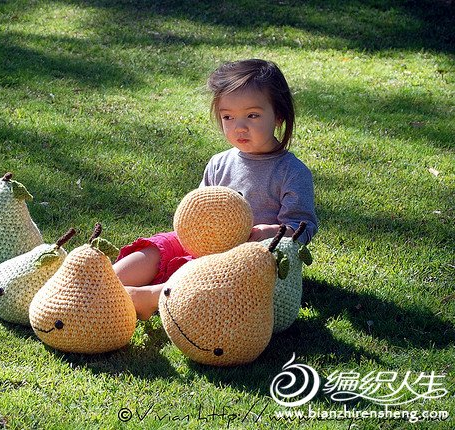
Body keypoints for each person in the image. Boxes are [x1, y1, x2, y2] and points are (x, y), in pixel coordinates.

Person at [114, 59, 318, 320]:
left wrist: (274, 233)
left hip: (249, 257)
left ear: (278, 115)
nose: (239, 127)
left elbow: (304, 227)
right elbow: (198, 211)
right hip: (206, 242)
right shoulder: (219, 163)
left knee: (214, 276)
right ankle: (105, 280)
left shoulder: (291, 171)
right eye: (228, 117)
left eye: (252, 115)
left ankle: (153, 297)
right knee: (162, 245)